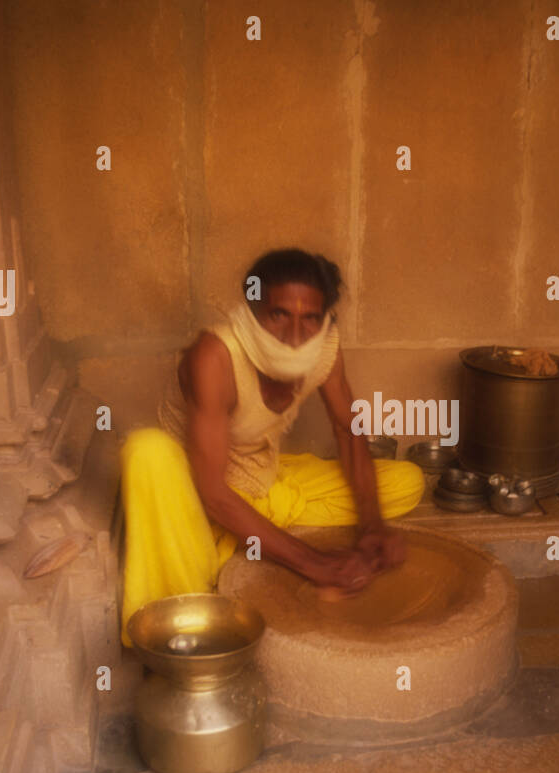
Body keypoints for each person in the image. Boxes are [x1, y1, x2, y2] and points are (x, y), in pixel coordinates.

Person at [119, 249, 425, 647]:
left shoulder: (324, 350)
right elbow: (211, 492)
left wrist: (372, 527)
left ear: (324, 320)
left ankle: (249, 535)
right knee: (146, 451)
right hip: (198, 494)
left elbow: (349, 433)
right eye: (279, 315)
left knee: (406, 481)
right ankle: (188, 606)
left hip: (260, 479)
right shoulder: (215, 355)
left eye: (310, 319)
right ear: (251, 313)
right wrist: (311, 562)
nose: (295, 336)